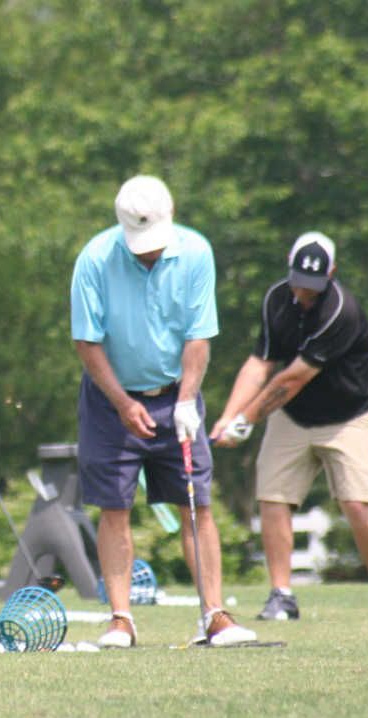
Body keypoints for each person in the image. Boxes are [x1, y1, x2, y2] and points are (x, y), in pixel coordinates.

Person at [70, 175, 256, 648]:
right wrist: (123, 403)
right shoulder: (94, 260)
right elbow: (87, 342)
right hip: (111, 399)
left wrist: (189, 400)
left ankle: (213, 614)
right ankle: (121, 620)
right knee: (115, 508)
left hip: (177, 393)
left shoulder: (195, 252)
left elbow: (198, 335)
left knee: (197, 505)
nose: (148, 253)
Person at [210, 232, 368, 620]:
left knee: (357, 502)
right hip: (295, 417)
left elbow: (291, 379)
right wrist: (227, 416)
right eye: (299, 282)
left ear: (332, 273)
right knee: (273, 498)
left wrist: (245, 422)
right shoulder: (276, 300)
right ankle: (282, 595)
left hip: (348, 417)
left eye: (312, 286)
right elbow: (260, 363)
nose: (303, 293)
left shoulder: (340, 311)